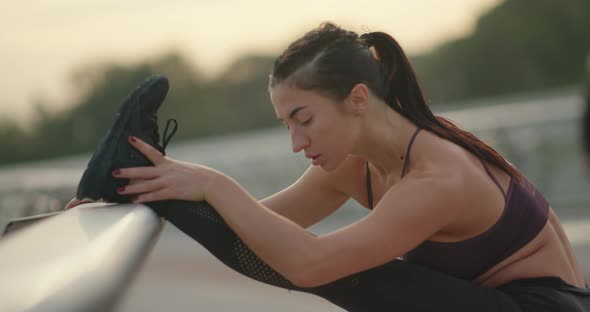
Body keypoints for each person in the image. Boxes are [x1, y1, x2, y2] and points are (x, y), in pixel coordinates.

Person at [66, 22, 590, 311]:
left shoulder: (440, 176)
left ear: (357, 99)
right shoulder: (351, 162)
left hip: (536, 309)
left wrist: (209, 182)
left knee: (361, 275)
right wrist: (146, 188)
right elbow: (257, 234)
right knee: (299, 254)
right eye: (286, 125)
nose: (297, 142)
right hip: (476, 303)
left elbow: (311, 265)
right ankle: (123, 170)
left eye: (304, 119)